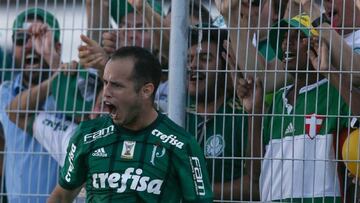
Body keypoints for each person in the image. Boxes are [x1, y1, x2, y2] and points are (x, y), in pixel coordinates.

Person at [48, 46, 213, 203]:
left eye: (116, 85)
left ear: (146, 90)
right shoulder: (87, 135)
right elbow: (62, 196)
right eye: (105, 83)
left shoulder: (182, 145)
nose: (106, 92)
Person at [237, 14, 360, 202]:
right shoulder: (278, 99)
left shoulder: (333, 91)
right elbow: (255, 173)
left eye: (298, 37)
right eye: (284, 38)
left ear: (317, 47)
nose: (287, 44)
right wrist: (254, 112)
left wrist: (329, 71)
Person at [186, 26, 260, 201]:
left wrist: (197, 191)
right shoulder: (176, 116)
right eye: (189, 59)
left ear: (226, 67)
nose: (194, 65)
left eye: (205, 58)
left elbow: (257, 186)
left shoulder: (244, 116)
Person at [0, 7, 61, 202]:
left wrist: (58, 69)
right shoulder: (4, 93)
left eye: (40, 37)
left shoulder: (73, 91)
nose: (29, 45)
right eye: (21, 40)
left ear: (57, 47)